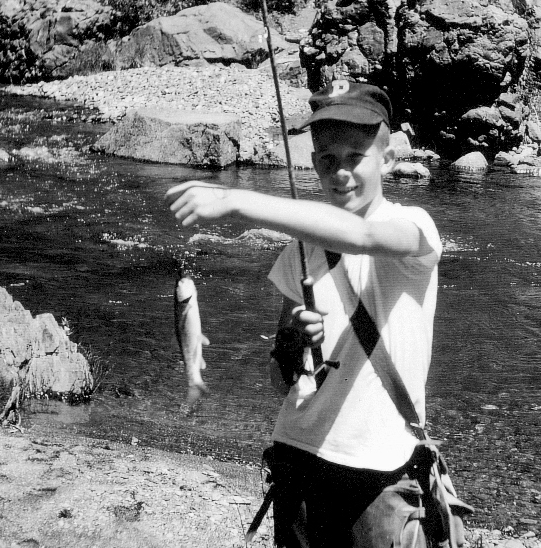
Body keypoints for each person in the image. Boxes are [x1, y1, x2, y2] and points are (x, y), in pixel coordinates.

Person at [165, 81, 465, 547]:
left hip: (381, 471)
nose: (340, 171)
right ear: (313, 164)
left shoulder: (416, 229)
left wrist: (237, 199)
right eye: (327, 159)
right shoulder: (298, 251)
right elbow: (281, 381)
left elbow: (361, 237)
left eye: (355, 156)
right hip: (300, 455)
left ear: (386, 160)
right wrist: (291, 347)